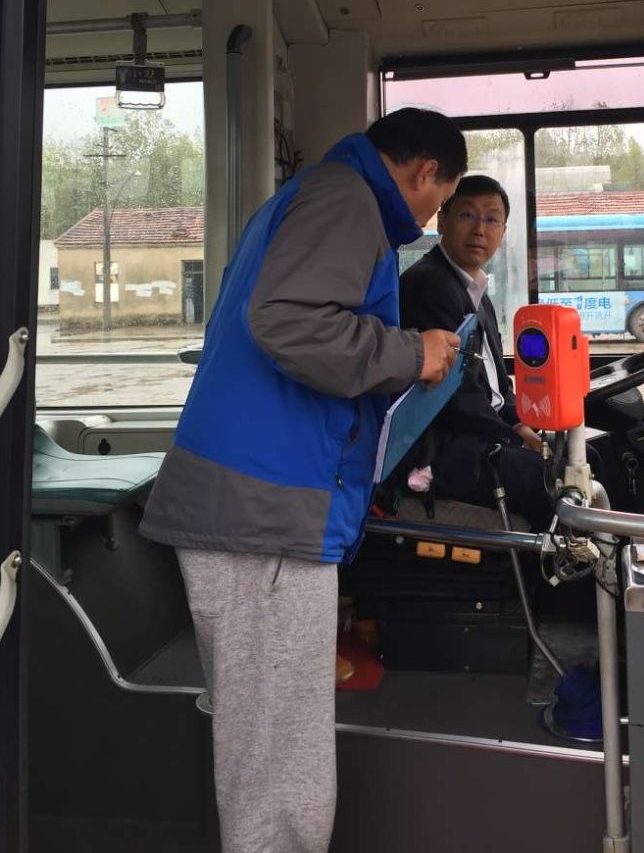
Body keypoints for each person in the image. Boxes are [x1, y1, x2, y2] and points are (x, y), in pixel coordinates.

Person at [140, 107, 467, 853]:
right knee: (276, 756)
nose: (432, 217)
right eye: (443, 200)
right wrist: (409, 352)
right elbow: (287, 321)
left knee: (264, 737)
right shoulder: (346, 200)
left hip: (260, 502)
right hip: (263, 511)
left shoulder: (318, 195)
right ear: (424, 174)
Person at [399, 174, 556, 530]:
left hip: (479, 431)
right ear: (443, 220)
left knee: (583, 458)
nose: (479, 230)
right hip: (447, 447)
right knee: (553, 479)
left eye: (492, 219)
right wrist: (512, 437)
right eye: (467, 215)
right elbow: (455, 396)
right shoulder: (429, 284)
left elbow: (498, 384)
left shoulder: (474, 289)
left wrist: (519, 422)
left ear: (503, 231)